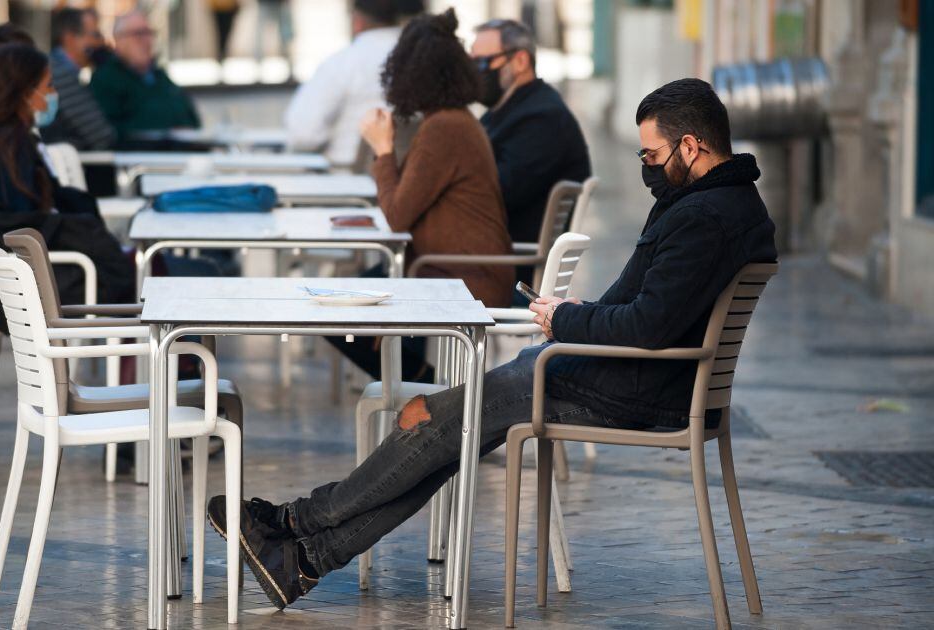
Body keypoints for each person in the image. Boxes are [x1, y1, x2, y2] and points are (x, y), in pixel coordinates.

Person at [206, 77, 778, 610]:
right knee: (443, 430)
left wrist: (566, 323)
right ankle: (303, 557)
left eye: (652, 156)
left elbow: (648, 327)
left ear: (692, 146)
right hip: (616, 375)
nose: (647, 168)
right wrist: (578, 313)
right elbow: (648, 310)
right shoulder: (720, 204)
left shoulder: (706, 216)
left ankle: (295, 525)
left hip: (630, 389)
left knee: (435, 422)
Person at [326, 9, 513, 384]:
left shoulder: (444, 128)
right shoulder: (451, 120)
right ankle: (429, 394)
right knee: (342, 303)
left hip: (461, 277)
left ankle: (437, 399)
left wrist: (382, 150)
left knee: (336, 317)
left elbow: (397, 215)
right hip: (450, 269)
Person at [0, 44, 133, 332]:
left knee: (138, 269)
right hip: (13, 288)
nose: (54, 94)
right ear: (25, 94)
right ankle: (165, 363)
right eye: (49, 86)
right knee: (145, 278)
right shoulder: (5, 148)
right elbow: (21, 228)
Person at [470, 19, 592, 283]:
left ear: (521, 61)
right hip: (487, 258)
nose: (475, 73)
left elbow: (494, 194)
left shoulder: (542, 118)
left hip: (504, 271)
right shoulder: (506, 110)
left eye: (482, 63)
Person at [283, 0, 402, 166]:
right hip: (410, 181)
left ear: (357, 21)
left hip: (345, 179)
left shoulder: (342, 63)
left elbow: (302, 135)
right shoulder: (423, 62)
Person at [90, 10, 200, 139]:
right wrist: (165, 131)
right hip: (138, 156)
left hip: (180, 153)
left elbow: (192, 120)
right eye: (138, 34)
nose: (146, 40)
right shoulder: (105, 79)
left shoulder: (160, 76)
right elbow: (107, 131)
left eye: (149, 33)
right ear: (118, 40)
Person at [40, 8, 116, 151]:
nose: (101, 43)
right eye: (95, 35)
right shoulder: (59, 75)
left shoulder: (58, 70)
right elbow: (101, 135)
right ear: (69, 38)